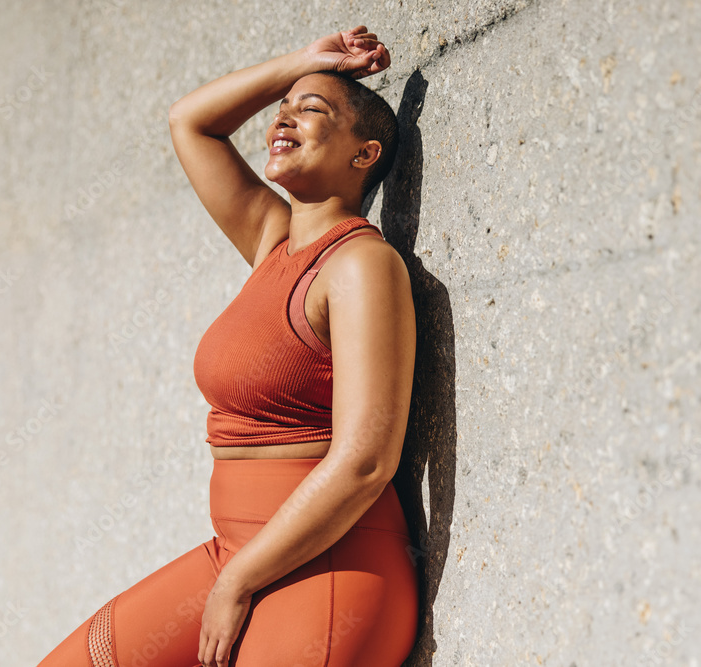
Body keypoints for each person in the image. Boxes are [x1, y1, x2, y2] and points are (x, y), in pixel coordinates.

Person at [37, 25, 419, 667]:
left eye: (313, 110)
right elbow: (191, 122)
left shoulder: (359, 265)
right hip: (235, 549)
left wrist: (238, 583)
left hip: (332, 567)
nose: (284, 120)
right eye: (282, 109)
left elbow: (365, 463)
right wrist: (307, 62)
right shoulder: (272, 241)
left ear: (365, 154)